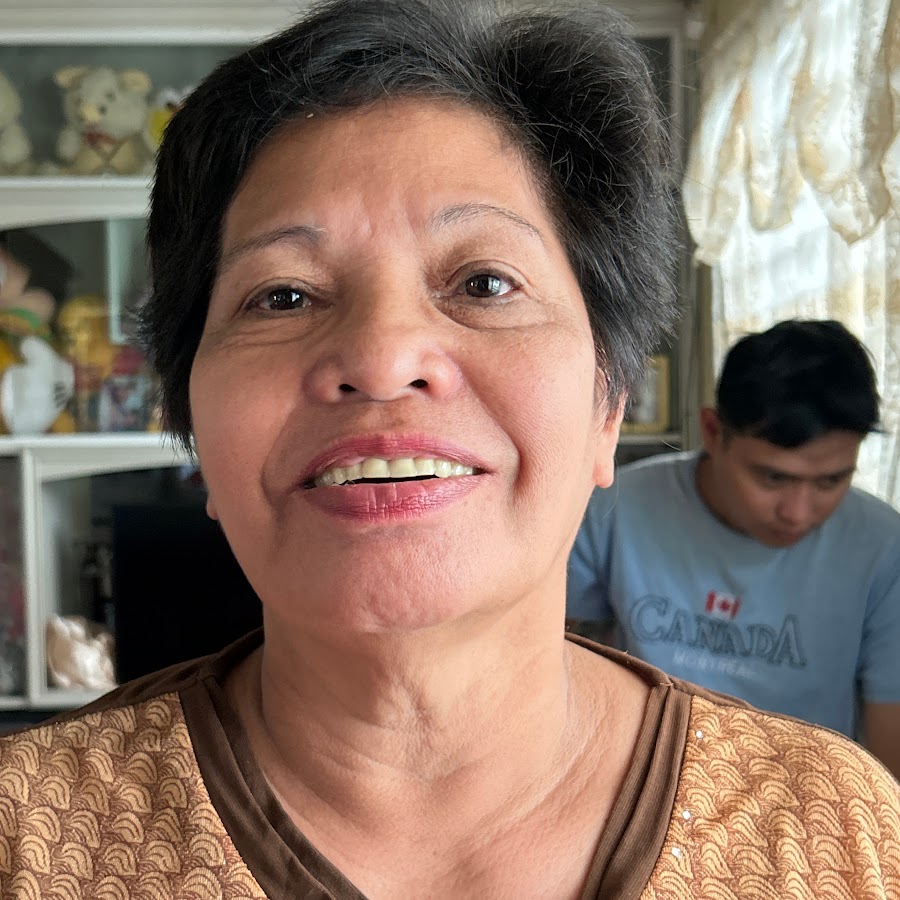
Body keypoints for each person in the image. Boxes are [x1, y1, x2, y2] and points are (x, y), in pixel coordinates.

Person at [0, 2, 897, 896]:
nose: (382, 358)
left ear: (610, 403)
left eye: (485, 283)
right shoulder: (26, 837)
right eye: (283, 296)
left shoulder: (843, 836)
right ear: (189, 413)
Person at [569, 319, 900, 780]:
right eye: (772, 477)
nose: (798, 513)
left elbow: (889, 757)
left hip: (805, 795)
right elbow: (556, 653)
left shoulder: (883, 547)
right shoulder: (615, 506)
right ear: (712, 431)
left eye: (830, 482)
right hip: (643, 781)